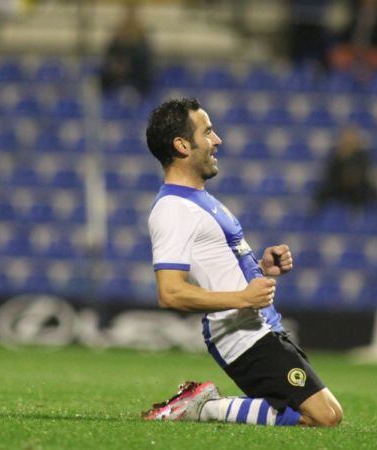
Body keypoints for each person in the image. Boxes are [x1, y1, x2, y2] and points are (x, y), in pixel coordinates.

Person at [141, 98, 343, 427]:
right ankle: (201, 406)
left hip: (260, 325)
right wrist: (243, 299)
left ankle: (203, 405)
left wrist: (260, 268)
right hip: (240, 334)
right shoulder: (173, 209)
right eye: (207, 132)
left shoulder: (200, 199)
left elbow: (216, 269)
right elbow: (171, 293)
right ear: (181, 145)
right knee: (324, 416)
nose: (217, 140)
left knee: (321, 414)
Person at [314, 127, 377, 210]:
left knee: (370, 192)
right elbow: (330, 174)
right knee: (322, 191)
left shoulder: (362, 156)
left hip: (358, 187)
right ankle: (318, 218)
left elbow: (366, 172)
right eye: (346, 139)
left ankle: (363, 215)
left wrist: (355, 177)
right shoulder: (336, 155)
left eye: (352, 139)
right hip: (340, 187)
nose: (349, 141)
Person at [99, 4, 153, 96]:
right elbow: (110, 54)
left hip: (136, 72)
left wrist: (128, 66)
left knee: (145, 79)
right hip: (117, 71)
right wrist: (116, 65)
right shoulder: (117, 37)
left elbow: (145, 60)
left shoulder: (141, 38)